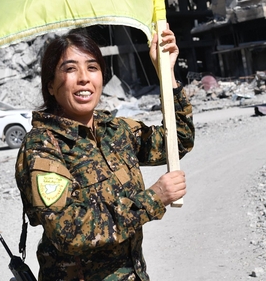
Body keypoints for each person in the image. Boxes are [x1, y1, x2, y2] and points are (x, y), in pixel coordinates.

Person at [15, 27, 195, 281]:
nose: (83, 78)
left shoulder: (116, 131)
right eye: (69, 69)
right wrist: (153, 198)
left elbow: (179, 140)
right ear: (51, 86)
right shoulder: (43, 147)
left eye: (92, 67)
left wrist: (166, 73)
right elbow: (70, 231)